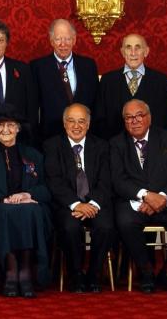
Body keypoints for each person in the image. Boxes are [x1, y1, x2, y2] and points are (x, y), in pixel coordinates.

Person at [109, 99, 167, 293]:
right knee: (125, 222)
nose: (134, 121)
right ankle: (146, 271)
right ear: (124, 121)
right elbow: (118, 180)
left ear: (149, 117)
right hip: (135, 202)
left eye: (139, 115)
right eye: (129, 117)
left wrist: (162, 197)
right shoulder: (116, 143)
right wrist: (146, 196)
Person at [0, 104, 51, 298]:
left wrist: (28, 195)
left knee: (29, 210)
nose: (5, 130)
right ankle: (10, 271)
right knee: (6, 211)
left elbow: (47, 188)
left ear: (18, 128)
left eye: (10, 125)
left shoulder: (33, 154)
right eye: (0, 125)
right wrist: (4, 199)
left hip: (29, 206)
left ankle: (25, 272)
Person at [43, 103, 113, 293]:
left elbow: (106, 180)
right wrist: (76, 204)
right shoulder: (52, 145)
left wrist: (91, 204)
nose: (76, 126)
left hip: (95, 203)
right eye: (71, 121)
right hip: (66, 205)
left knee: (106, 226)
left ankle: (94, 273)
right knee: (70, 227)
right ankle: (75, 275)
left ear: (88, 125)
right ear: (64, 124)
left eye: (81, 121)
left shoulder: (101, 146)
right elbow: (54, 181)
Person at [97, 33, 167, 140]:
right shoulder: (108, 81)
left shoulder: (161, 81)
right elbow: (99, 122)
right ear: (122, 52)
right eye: (128, 47)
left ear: (146, 52)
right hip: (116, 151)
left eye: (138, 47)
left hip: (154, 150)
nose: (133, 53)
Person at [31, 19, 100, 141]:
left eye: (67, 39)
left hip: (84, 136)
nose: (63, 44)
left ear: (74, 40)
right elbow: (33, 108)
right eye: (58, 39)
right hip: (50, 138)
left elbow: (96, 103)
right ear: (51, 41)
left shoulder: (88, 66)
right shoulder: (37, 67)